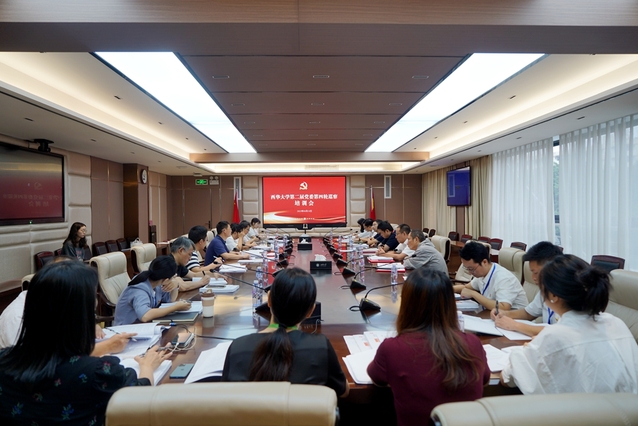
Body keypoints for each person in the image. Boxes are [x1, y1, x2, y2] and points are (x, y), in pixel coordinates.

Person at [0, 261, 170, 425]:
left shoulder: (4, 359)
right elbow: (139, 397)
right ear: (78, 315)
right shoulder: (96, 372)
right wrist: (148, 366)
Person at [367, 268, 490, 426]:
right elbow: (485, 379)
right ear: (451, 304)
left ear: (406, 305)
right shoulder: (473, 343)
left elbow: (377, 378)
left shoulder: (391, 348)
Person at [501, 255, 638, 394]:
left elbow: (506, 378)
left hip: (589, 408)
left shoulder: (554, 336)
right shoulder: (615, 322)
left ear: (553, 296)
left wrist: (529, 349)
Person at [222, 268, 348, 397]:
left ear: (269, 300)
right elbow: (343, 391)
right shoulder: (320, 347)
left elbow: (225, 396)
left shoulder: (238, 347)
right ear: (311, 311)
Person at [490, 241, 564, 336]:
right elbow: (529, 313)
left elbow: (560, 331)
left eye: (536, 273)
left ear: (552, 268)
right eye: (532, 272)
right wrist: (505, 314)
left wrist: (515, 325)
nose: (533, 278)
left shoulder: (569, 294)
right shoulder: (545, 290)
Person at [113, 255, 191, 325]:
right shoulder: (139, 289)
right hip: (125, 330)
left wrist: (176, 285)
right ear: (166, 280)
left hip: (142, 325)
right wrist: (175, 308)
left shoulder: (156, 282)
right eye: (173, 277)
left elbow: (170, 299)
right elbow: (145, 316)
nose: (173, 279)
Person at [453, 241, 528, 311]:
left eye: (471, 269)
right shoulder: (483, 273)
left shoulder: (503, 278)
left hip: (515, 318)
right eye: (467, 269)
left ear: (484, 262)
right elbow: (466, 287)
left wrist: (473, 294)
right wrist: (448, 289)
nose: (470, 272)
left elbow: (503, 307)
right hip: (493, 315)